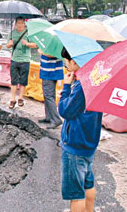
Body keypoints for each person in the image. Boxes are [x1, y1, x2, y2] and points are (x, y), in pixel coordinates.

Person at [58, 47, 102, 212]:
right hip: (89, 143)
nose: (66, 66)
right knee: (88, 182)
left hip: (75, 145)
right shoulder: (94, 79)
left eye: (66, 63)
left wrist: (66, 87)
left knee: (76, 194)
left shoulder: (81, 86)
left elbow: (65, 111)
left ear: (74, 61)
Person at [6, 17, 37, 109]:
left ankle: (20, 98)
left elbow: (35, 44)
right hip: (14, 59)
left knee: (23, 81)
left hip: (25, 60)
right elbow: (7, 45)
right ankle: (12, 99)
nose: (20, 25)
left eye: (21, 23)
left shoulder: (28, 33)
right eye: (18, 23)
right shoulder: (12, 33)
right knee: (14, 81)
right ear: (15, 24)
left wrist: (27, 44)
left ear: (24, 23)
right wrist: (10, 44)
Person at [38, 49, 64, 130]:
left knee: (49, 96)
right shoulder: (57, 43)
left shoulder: (55, 45)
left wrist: (42, 52)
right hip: (51, 72)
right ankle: (49, 117)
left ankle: (56, 119)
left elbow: (54, 54)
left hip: (49, 72)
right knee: (48, 96)